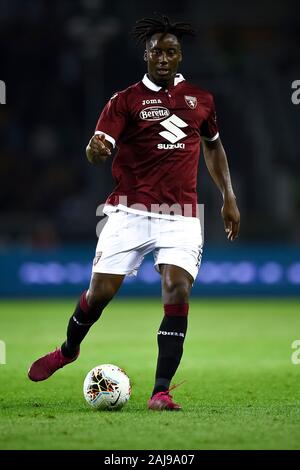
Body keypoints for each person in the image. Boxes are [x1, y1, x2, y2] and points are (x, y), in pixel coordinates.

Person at [28, 15, 240, 411]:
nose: (163, 57)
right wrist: (95, 149)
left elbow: (213, 146)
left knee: (177, 289)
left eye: (171, 51)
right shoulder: (124, 100)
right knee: (99, 294)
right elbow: (97, 146)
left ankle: (160, 391)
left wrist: (228, 195)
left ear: (180, 56)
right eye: (157, 51)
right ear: (145, 54)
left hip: (181, 214)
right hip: (130, 211)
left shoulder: (201, 100)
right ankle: (68, 349)